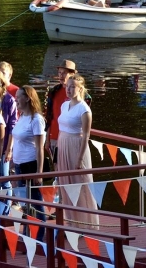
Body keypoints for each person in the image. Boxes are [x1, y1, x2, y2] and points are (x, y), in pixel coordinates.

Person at [56, 75, 97, 227]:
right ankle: (72, 222)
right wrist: (57, 151)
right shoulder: (64, 105)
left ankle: (86, 223)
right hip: (63, 145)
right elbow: (61, 128)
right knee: (66, 185)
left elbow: (86, 136)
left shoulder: (84, 109)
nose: (69, 89)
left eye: (73, 86)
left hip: (76, 147)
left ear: (80, 89)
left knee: (80, 185)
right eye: (67, 86)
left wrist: (79, 159)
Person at [11, 86, 46, 212]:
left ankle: (41, 224)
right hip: (19, 165)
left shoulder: (36, 119)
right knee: (24, 204)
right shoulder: (22, 116)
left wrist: (39, 173)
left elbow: (40, 147)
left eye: (18, 97)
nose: (15, 100)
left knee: (36, 203)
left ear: (27, 98)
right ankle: (28, 225)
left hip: (30, 165)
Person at [44, 60, 77, 157]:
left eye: (64, 73)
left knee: (69, 165)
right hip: (54, 137)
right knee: (56, 165)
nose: (61, 76)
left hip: (70, 139)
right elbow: (49, 116)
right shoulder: (53, 91)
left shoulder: (78, 94)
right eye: (59, 72)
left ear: (72, 74)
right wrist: (47, 139)